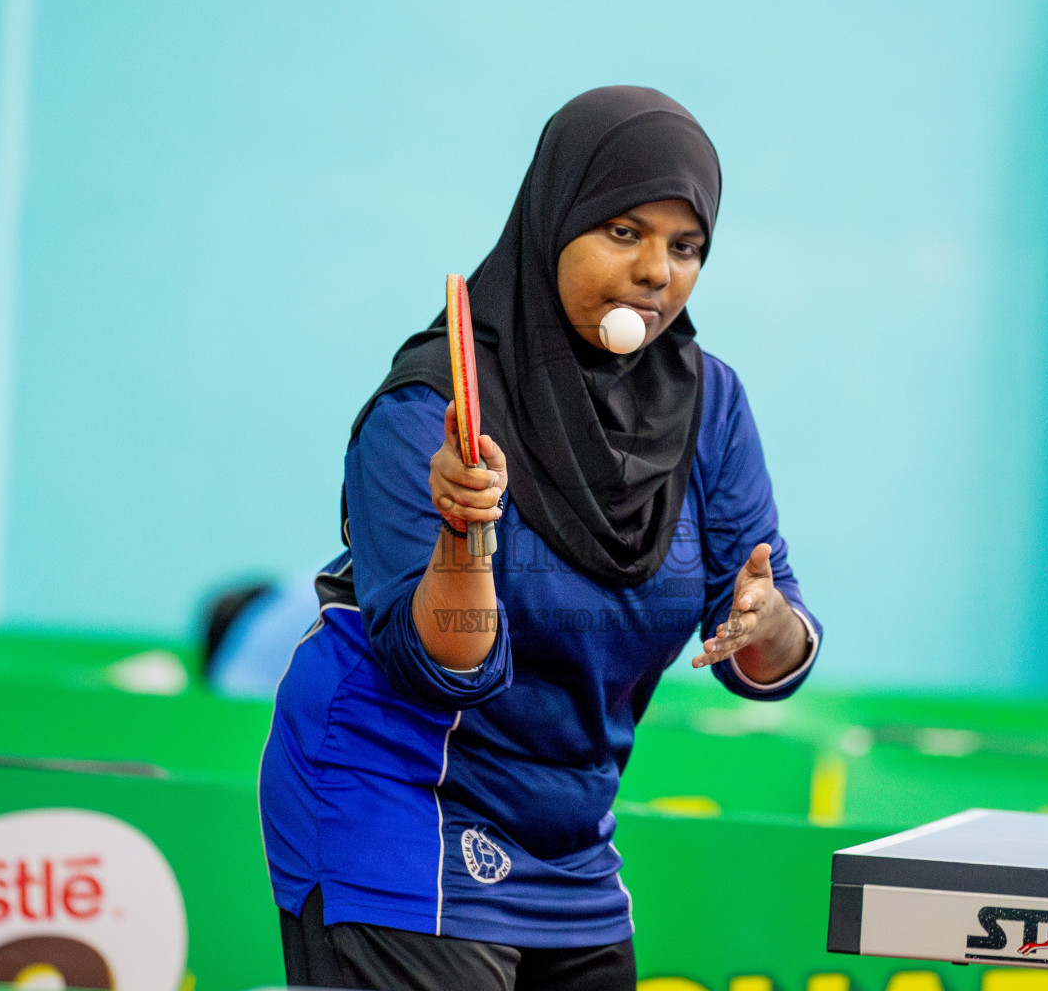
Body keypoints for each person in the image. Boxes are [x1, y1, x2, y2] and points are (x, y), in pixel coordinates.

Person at [259, 86, 822, 991]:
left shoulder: (710, 407)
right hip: (401, 799)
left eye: (686, 248)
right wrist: (463, 542)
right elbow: (440, 665)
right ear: (554, 221)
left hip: (567, 827)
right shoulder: (428, 407)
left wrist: (766, 626)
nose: (655, 273)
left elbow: (767, 640)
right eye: (624, 232)